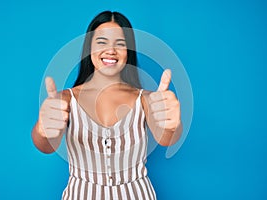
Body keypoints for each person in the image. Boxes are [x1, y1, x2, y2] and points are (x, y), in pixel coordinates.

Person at [31, 11, 182, 200]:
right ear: (89, 48)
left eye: (120, 43)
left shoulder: (146, 99)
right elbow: (45, 146)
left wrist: (172, 124)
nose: (111, 50)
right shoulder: (65, 99)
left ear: (129, 51)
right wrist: (42, 129)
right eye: (102, 42)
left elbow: (167, 138)